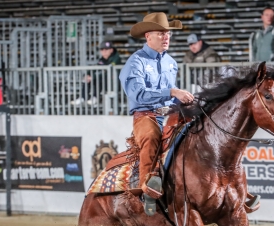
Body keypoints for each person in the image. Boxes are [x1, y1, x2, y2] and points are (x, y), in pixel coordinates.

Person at [119, 12, 194, 215]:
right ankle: (147, 189)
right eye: (160, 33)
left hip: (169, 113)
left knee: (198, 129)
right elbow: (138, 94)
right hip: (146, 115)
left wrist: (185, 98)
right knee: (151, 136)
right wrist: (171, 92)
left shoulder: (171, 62)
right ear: (148, 36)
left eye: (167, 33)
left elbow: (172, 93)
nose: (166, 36)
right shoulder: (136, 63)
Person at [72, 41, 122, 107]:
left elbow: (107, 70)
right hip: (105, 81)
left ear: (111, 50)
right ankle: (83, 97)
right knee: (87, 79)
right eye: (102, 49)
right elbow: (96, 68)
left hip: (115, 83)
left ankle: (95, 98)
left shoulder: (116, 58)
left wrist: (93, 77)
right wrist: (88, 74)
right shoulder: (102, 59)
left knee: (98, 79)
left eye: (106, 49)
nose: (104, 51)